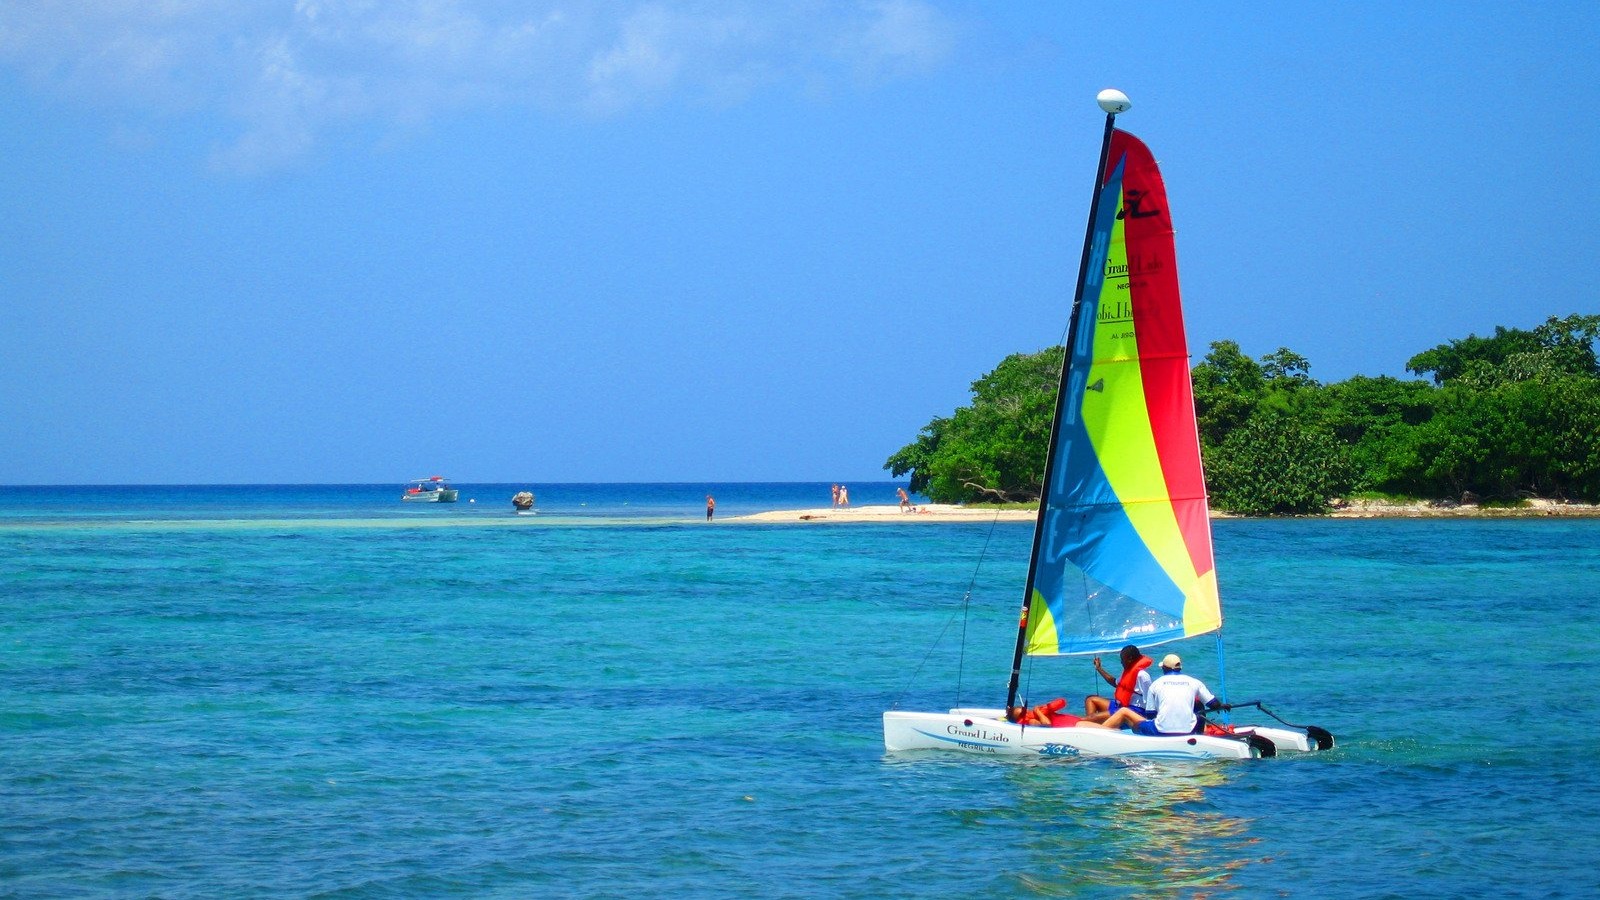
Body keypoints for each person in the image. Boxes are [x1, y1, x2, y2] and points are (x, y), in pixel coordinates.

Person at [1136, 653, 1228, 736]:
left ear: (1164, 668)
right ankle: (1199, 737)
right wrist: (1222, 706)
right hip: (1189, 730)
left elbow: (1150, 715)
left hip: (1161, 731)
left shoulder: (1155, 685)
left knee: (1137, 726)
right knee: (1199, 706)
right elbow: (1214, 704)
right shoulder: (1194, 682)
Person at [1084, 644, 1154, 721]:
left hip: (1134, 711)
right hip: (1121, 706)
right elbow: (1114, 682)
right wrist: (1099, 668)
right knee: (1090, 700)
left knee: (1091, 718)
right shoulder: (1129, 672)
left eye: (1122, 659)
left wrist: (1148, 720)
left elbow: (1150, 699)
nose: (1121, 662)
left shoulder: (1142, 675)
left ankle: (1091, 723)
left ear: (1130, 659)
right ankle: (1094, 725)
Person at [1005, 698, 1147, 730]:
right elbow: (1046, 725)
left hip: (1079, 724)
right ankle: (1146, 727)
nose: (1027, 711)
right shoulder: (1029, 722)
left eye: (1024, 709)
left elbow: (1061, 702)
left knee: (1118, 723)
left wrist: (1044, 709)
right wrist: (1038, 713)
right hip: (1078, 728)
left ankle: (1139, 726)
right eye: (1023, 712)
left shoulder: (1037, 714)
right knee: (1121, 716)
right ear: (1020, 719)